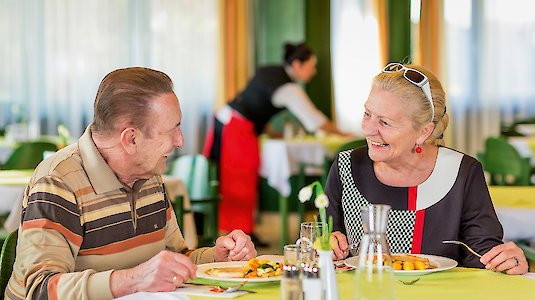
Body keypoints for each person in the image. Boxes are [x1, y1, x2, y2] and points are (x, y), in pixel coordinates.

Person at [5, 67, 257, 299]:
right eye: (172, 129)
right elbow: (39, 290)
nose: (180, 141)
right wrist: (134, 280)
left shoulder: (149, 173)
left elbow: (175, 257)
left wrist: (217, 257)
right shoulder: (58, 181)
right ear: (131, 139)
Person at [325, 63, 528, 274]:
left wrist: (508, 261)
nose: (367, 129)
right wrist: (325, 246)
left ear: (423, 131)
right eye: (367, 114)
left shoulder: (462, 172)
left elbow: (483, 257)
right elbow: (325, 242)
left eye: (384, 122)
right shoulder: (345, 166)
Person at [203, 42, 349, 242]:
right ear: (297, 64)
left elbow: (253, 104)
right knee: (238, 180)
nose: (313, 72)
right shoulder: (289, 88)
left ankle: (242, 232)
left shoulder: (270, 71)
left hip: (228, 121)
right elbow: (315, 121)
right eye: (311, 66)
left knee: (239, 179)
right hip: (236, 127)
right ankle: (239, 234)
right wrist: (343, 134)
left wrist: (272, 133)